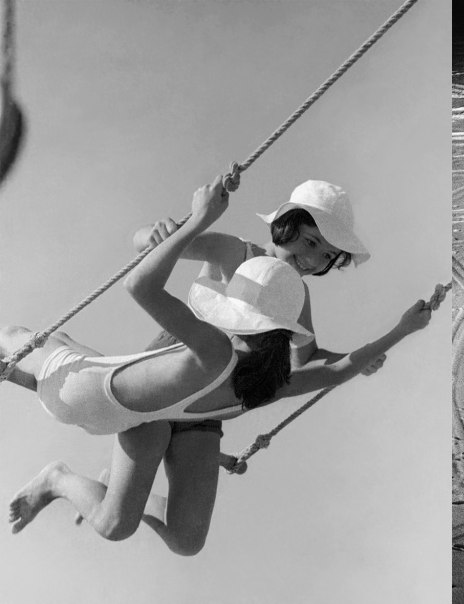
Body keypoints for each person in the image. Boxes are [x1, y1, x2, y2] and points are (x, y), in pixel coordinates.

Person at [4, 178, 438, 549]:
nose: (311, 258)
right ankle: (65, 461)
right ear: (285, 225)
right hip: (175, 362)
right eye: (309, 242)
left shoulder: (293, 300)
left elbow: (305, 358)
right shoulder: (238, 251)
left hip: (223, 393)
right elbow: (144, 248)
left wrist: (360, 355)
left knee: (187, 540)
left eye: (324, 255)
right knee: (97, 407)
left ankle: (116, 478)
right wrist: (159, 232)